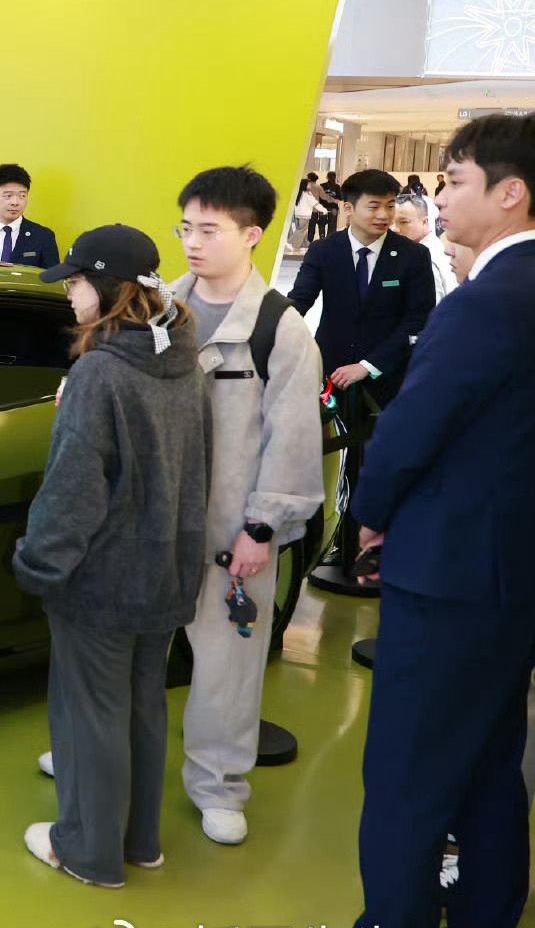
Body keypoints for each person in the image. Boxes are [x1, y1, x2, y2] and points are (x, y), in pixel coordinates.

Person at [255, 112, 535, 928]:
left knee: (405, 782)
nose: (438, 197)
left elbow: (412, 431)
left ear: (510, 192)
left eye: (454, 180)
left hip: (450, 578)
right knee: (489, 773)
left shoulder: (485, 302)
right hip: (515, 580)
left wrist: (371, 516)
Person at [15, 224, 209, 889]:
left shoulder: (98, 372)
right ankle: (139, 841)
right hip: (167, 570)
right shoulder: (184, 360)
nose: (69, 295)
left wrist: (39, 562)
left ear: (107, 287)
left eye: (75, 282)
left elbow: (74, 487)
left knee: (89, 712)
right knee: (142, 705)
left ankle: (88, 851)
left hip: (101, 576)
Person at [164, 167, 324, 846]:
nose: (192, 242)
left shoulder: (280, 330)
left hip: (230, 532)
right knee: (127, 648)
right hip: (152, 523)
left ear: (252, 234)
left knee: (228, 668)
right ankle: (101, 749)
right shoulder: (159, 309)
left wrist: (262, 528)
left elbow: (293, 439)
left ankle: (219, 784)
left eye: (209, 230)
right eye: (185, 227)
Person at [285, 168, 436, 405]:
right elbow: (299, 301)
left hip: (389, 376)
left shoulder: (413, 255)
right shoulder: (324, 251)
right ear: (348, 209)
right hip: (332, 373)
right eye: (373, 207)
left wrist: (368, 365)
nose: (384, 215)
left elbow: (419, 319)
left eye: (390, 206)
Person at [390, 192, 455, 302]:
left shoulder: (424, 259)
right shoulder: (431, 246)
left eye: (403, 222)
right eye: (391, 222)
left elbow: (430, 307)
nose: (394, 229)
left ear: (424, 222)